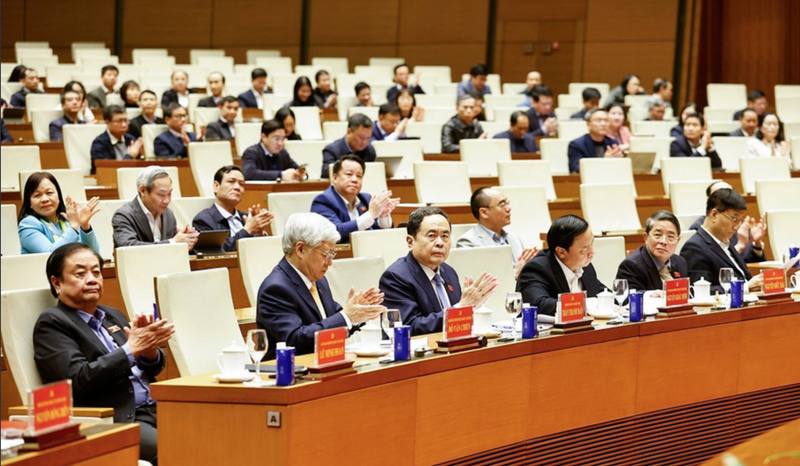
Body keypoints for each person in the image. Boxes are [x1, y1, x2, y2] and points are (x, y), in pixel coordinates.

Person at [33, 243, 173, 464]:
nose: (91, 279)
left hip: (158, 407)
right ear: (56, 282)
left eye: (96, 272)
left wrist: (149, 353)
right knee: (179, 448)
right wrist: (131, 349)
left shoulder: (111, 314)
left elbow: (151, 367)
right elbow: (77, 379)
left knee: (217, 431)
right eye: (80, 274)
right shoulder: (52, 323)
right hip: (116, 419)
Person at [257, 212, 386, 359]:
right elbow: (294, 340)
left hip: (324, 365)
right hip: (291, 374)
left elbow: (331, 320)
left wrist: (356, 313)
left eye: (332, 255)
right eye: (326, 255)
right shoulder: (276, 288)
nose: (330, 262)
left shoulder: (318, 279)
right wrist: (347, 317)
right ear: (300, 249)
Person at [380, 206, 498, 335]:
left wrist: (475, 308)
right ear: (410, 242)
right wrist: (461, 308)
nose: (440, 242)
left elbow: (458, 324)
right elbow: (408, 328)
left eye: (445, 236)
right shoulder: (396, 277)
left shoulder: (448, 272)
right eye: (432, 236)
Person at [516, 215, 607, 316]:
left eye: (592, 244)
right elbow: (537, 304)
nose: (592, 252)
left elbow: (603, 293)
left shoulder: (586, 268)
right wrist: (583, 304)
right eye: (584, 249)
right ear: (561, 252)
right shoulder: (537, 269)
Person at [680, 188, 763, 294]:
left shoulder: (725, 243)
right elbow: (700, 292)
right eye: (734, 219)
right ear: (714, 215)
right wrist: (745, 287)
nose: (737, 226)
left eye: (740, 221)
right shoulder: (694, 247)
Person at [311, 155, 398, 243]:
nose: (354, 179)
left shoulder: (366, 199)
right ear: (335, 178)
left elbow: (379, 231)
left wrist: (383, 215)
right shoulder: (323, 201)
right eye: (349, 174)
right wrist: (371, 215)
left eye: (359, 176)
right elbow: (334, 233)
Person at [457, 187, 538, 280]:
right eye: (502, 204)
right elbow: (476, 282)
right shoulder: (468, 242)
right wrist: (514, 274)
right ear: (484, 212)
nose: (508, 208)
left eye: (507, 202)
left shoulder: (514, 238)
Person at [112, 166, 198, 248]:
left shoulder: (169, 214)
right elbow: (128, 247)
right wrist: (173, 243)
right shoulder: (123, 216)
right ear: (142, 190)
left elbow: (174, 245)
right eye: (161, 195)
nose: (167, 200)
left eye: (169, 193)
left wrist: (185, 239)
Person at [192, 165, 273, 252]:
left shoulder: (246, 218)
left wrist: (259, 233)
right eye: (231, 182)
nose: (237, 187)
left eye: (241, 184)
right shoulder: (203, 220)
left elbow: (262, 252)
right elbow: (217, 252)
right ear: (216, 186)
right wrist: (247, 230)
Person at [17, 172, 100, 254]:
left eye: (49, 193)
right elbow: (50, 254)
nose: (45, 199)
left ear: (58, 197)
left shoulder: (66, 220)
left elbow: (94, 255)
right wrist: (74, 226)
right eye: (37, 195)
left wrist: (84, 226)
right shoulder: (28, 224)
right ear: (29, 203)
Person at [689, 181, 765, 264]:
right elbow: (713, 262)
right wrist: (740, 246)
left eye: (730, 193)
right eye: (721, 194)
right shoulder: (699, 228)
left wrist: (757, 244)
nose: (728, 198)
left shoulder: (738, 223)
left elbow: (752, 263)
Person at [615, 210, 689, 292]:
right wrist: (651, 296)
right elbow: (628, 299)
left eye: (670, 236)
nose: (663, 241)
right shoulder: (632, 265)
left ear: (678, 240)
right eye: (657, 235)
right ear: (645, 238)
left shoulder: (680, 263)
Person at [90, 105, 144, 174]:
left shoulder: (130, 139)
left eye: (125, 121)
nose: (124, 125)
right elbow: (108, 170)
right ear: (107, 122)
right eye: (119, 121)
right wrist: (130, 156)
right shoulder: (99, 143)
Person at [567, 108, 622, 173]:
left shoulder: (612, 143)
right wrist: (605, 162)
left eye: (606, 120)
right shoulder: (576, 145)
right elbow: (576, 169)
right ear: (588, 124)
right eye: (598, 120)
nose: (603, 124)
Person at [321, 113, 376, 178]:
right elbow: (327, 174)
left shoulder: (370, 150)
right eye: (361, 137)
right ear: (349, 131)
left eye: (368, 138)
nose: (364, 142)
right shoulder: (331, 150)